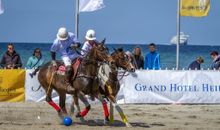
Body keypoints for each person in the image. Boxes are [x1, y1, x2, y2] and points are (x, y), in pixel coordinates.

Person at [50, 27, 81, 93]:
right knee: (69, 68)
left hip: (74, 53)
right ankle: (68, 84)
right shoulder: (56, 42)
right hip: (65, 56)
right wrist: (53, 61)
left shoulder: (71, 35)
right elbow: (52, 51)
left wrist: (75, 45)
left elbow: (79, 44)